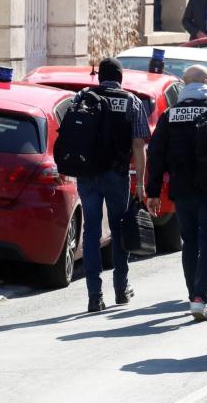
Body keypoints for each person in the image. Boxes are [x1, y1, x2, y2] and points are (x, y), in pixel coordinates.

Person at [146, 65, 207, 320]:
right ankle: (199, 297)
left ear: (185, 85)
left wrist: (152, 192)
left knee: (190, 241)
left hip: (181, 190)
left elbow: (156, 153)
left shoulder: (171, 113)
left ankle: (192, 293)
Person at [77, 58, 152, 312]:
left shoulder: (83, 97)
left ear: (100, 78)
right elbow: (138, 146)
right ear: (121, 78)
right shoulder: (131, 101)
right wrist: (140, 183)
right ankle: (121, 289)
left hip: (87, 174)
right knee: (120, 229)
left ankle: (94, 295)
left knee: (91, 232)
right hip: (117, 175)